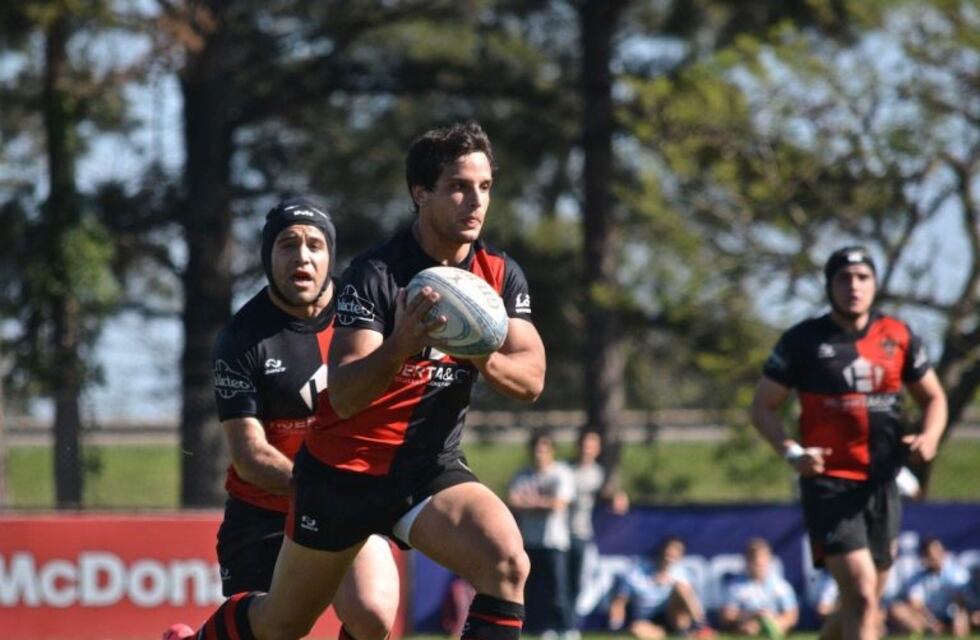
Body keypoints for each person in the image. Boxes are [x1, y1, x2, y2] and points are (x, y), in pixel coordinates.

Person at [176, 120, 546, 640]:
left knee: (506, 561)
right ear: (421, 194)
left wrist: (481, 353)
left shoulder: (499, 275)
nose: (475, 201)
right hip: (342, 476)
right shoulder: (375, 274)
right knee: (283, 623)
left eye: (484, 186)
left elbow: (531, 380)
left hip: (427, 469)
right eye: (458, 186)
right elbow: (345, 393)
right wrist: (402, 343)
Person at [164, 198, 400, 640]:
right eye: (288, 245)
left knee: (372, 614)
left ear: (331, 255)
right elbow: (251, 456)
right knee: (279, 630)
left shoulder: (365, 317)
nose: (302, 256)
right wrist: (322, 487)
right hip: (264, 518)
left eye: (314, 244)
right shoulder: (240, 339)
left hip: (346, 508)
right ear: (268, 257)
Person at [749, 246, 948, 640]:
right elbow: (762, 408)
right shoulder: (803, 341)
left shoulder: (899, 335)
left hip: (882, 483)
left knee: (866, 601)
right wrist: (792, 452)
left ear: (874, 284)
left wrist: (931, 436)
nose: (853, 286)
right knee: (859, 593)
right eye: (843, 278)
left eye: (862, 277)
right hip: (831, 483)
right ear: (829, 286)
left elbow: (934, 398)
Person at [507, 431, 576, 638]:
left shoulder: (561, 473)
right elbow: (514, 502)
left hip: (554, 542)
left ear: (552, 451)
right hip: (529, 541)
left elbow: (558, 504)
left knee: (558, 590)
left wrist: (531, 503)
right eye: (536, 449)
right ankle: (541, 628)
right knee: (534, 591)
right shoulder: (522, 475)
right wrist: (540, 504)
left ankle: (566, 629)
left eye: (544, 449)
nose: (539, 454)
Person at [566, 430, 628, 627]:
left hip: (581, 533)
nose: (587, 449)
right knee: (558, 583)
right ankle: (553, 624)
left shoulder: (598, 474)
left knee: (577, 582)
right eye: (584, 444)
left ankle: (570, 625)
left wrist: (618, 496)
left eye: (592, 445)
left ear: (597, 449)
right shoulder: (565, 470)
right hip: (558, 535)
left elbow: (609, 493)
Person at [608, 536, 713, 639]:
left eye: (678, 551)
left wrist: (671, 583)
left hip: (674, 618)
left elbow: (689, 598)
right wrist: (616, 629)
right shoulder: (637, 573)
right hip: (646, 619)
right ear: (662, 550)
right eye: (670, 549)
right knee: (637, 629)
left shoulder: (682, 573)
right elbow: (619, 602)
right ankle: (669, 635)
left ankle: (700, 626)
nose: (672, 553)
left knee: (682, 588)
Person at [887, 537, 970, 637]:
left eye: (937, 553)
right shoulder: (917, 576)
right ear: (924, 556)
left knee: (961, 620)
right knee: (898, 610)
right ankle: (929, 630)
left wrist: (958, 616)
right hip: (928, 617)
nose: (934, 557)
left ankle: (945, 629)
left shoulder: (956, 571)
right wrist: (931, 621)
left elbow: (960, 599)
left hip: (951, 615)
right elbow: (916, 603)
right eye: (930, 555)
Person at [718, 538, 799, 639]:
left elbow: (792, 616)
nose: (758, 565)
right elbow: (726, 615)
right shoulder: (735, 587)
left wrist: (774, 623)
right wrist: (752, 616)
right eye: (754, 561)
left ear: (769, 559)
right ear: (747, 561)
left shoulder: (781, 586)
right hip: (746, 627)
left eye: (761, 560)